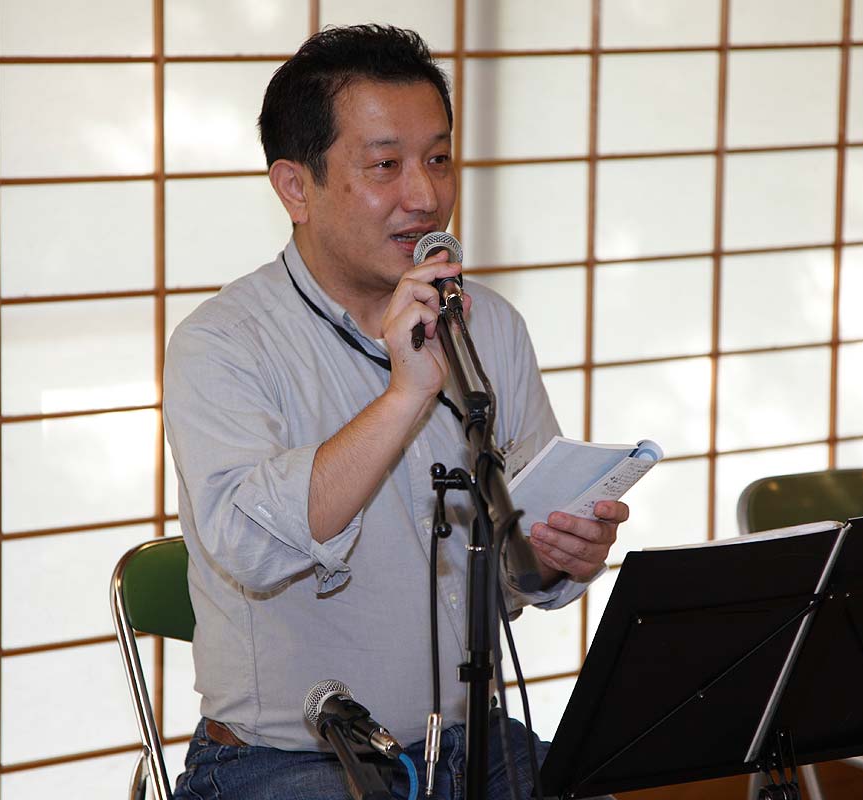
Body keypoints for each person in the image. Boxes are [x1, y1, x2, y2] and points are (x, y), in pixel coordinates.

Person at [163, 24, 629, 800]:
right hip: (289, 760)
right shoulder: (222, 344)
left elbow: (511, 567)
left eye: (438, 159)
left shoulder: (486, 323)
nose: (425, 196)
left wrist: (555, 553)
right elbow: (252, 549)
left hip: (473, 742)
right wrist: (405, 394)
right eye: (386, 165)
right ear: (295, 187)